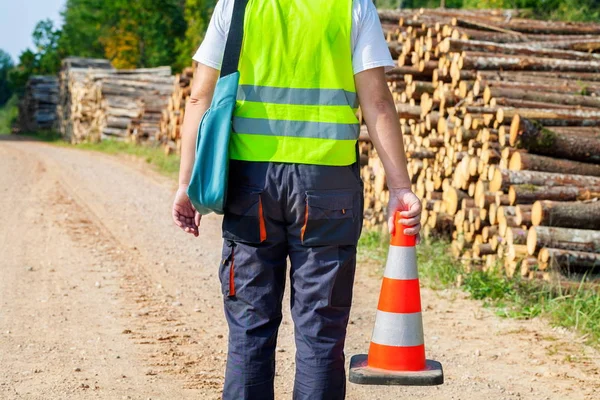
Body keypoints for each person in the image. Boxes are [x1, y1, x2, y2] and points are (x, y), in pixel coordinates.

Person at [172, 0, 422, 399]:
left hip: (250, 185)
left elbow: (198, 100)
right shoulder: (352, 7)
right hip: (328, 186)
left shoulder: (236, 6)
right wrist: (400, 188)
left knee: (249, 329)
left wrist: (187, 183)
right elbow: (376, 102)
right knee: (320, 333)